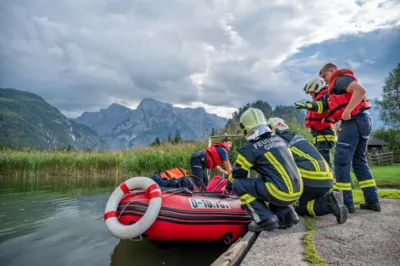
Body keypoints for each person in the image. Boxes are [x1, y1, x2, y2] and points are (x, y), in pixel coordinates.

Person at [295, 63, 380, 213]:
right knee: (359, 161)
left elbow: (360, 90)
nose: (324, 80)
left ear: (332, 71)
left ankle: (345, 204)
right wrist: (342, 122)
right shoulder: (334, 88)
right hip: (362, 120)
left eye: (324, 76)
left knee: (341, 163)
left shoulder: (340, 79)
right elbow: (325, 107)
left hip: (355, 121)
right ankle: (373, 201)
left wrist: (347, 112)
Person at [224, 107, 302, 232]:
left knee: (239, 184)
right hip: (297, 190)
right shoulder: (279, 140)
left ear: (246, 128)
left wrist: (228, 186)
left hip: (280, 192)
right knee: (266, 178)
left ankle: (264, 220)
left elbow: (238, 173)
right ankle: (287, 214)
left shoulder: (250, 147)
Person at [267, 117, 348, 224]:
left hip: (309, 179)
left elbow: (275, 168)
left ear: (272, 129)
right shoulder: (296, 137)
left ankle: (328, 202)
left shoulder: (276, 141)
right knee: (303, 205)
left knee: (290, 206)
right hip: (327, 179)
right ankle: (329, 202)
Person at [302, 78, 337, 167]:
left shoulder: (324, 97)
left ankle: (331, 180)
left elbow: (322, 108)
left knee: (325, 163)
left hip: (324, 134)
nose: (310, 95)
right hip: (320, 134)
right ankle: (329, 179)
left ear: (317, 89)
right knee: (322, 162)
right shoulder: (319, 98)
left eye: (311, 92)